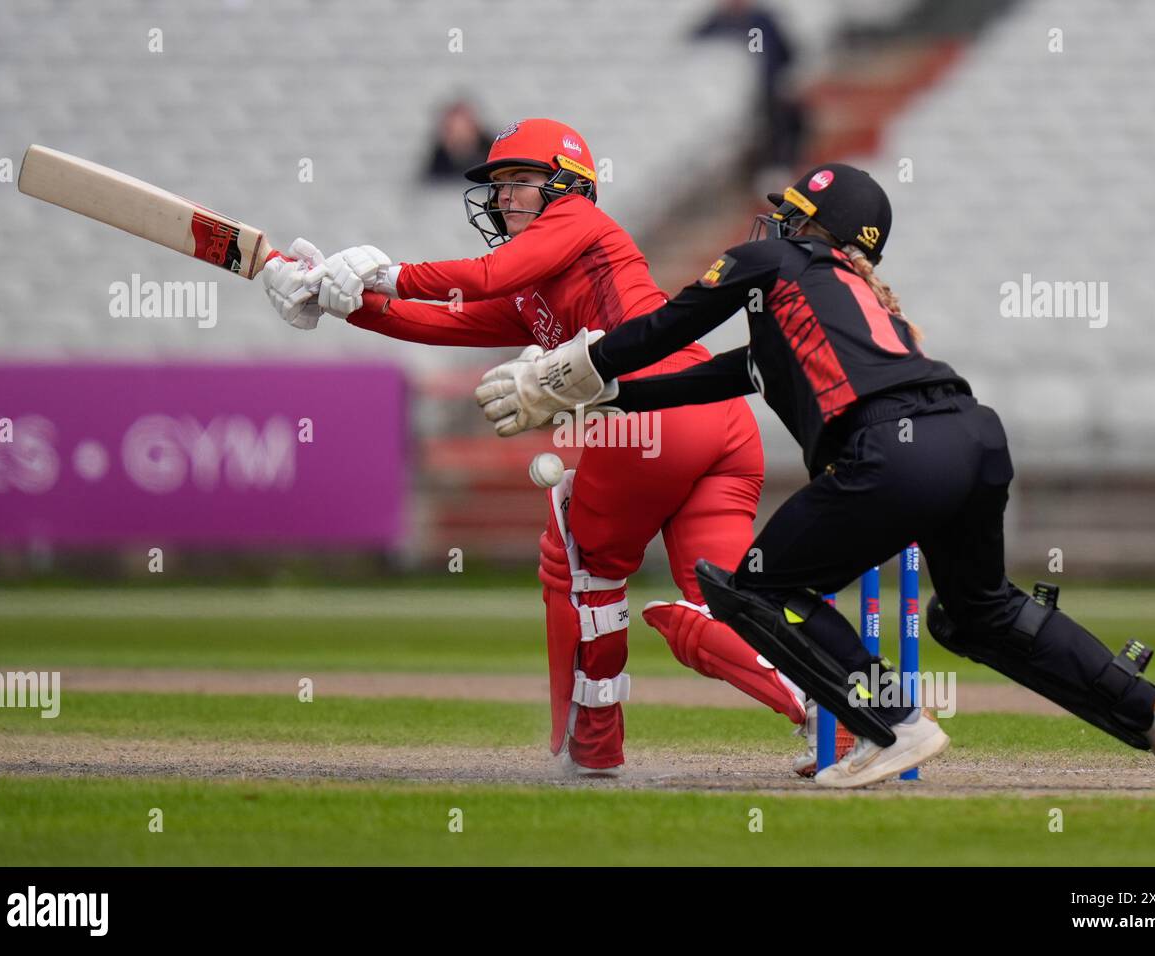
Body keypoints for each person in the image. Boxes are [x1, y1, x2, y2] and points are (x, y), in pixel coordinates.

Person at [474, 162, 1155, 789]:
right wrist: (606, 394)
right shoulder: (838, 304)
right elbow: (728, 374)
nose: (774, 226)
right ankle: (1152, 714)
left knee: (753, 586)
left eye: (790, 215)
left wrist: (572, 369)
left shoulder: (773, 267)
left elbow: (672, 326)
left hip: (895, 450)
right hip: (974, 440)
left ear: (813, 229)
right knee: (979, 614)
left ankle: (893, 723)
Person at [259, 118, 810, 777]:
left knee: (579, 560)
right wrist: (340, 299)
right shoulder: (537, 287)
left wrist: (384, 271)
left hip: (654, 411)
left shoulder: (577, 220)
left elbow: (489, 273)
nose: (503, 197)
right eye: (498, 185)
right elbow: (446, 321)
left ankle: (596, 743)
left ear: (567, 186)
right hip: (719, 419)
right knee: (720, 605)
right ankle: (831, 712)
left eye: (521, 181)